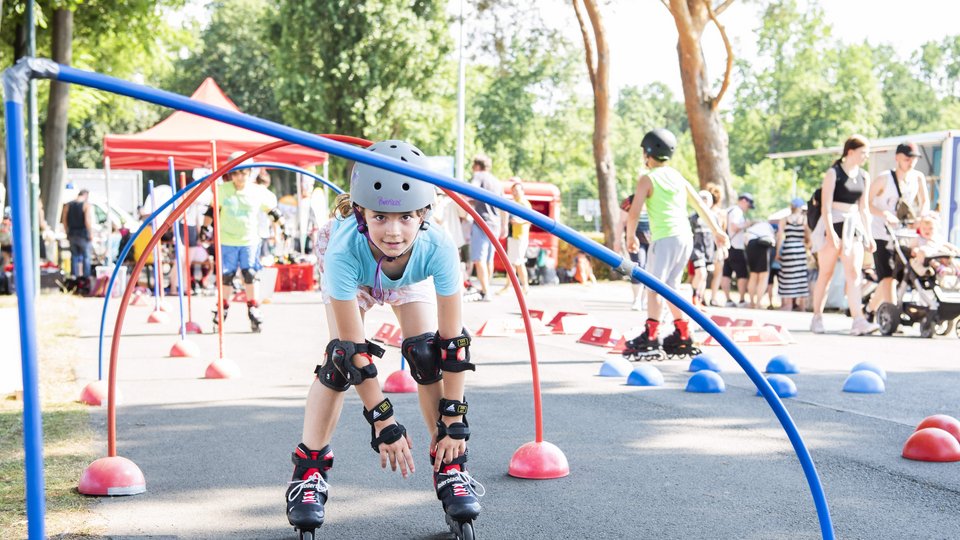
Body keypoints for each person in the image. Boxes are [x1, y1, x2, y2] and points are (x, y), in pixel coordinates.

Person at [285, 140, 483, 536]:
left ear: (425, 213)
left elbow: (453, 347)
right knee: (338, 364)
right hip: (357, 270)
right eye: (380, 217)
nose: (394, 231)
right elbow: (353, 350)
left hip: (410, 275)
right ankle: (308, 471)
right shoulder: (342, 247)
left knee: (428, 353)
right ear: (360, 213)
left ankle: (449, 465)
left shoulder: (438, 246)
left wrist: (453, 419)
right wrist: (383, 420)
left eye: (407, 217)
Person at [623, 128, 729, 360]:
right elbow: (702, 207)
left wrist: (630, 237)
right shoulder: (678, 177)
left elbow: (634, 212)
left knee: (654, 287)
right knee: (671, 286)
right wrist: (718, 231)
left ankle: (651, 337)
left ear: (647, 153)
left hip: (665, 237)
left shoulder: (647, 179)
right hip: (685, 239)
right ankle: (682, 332)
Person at [809, 135, 880, 335]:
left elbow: (864, 208)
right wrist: (831, 233)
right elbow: (826, 206)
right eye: (862, 152)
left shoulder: (864, 176)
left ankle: (858, 319)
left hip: (853, 226)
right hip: (832, 224)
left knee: (854, 273)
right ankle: (817, 316)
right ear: (851, 152)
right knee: (826, 273)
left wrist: (869, 235)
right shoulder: (834, 173)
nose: (865, 156)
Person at [210, 151, 286, 332]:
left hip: (249, 240)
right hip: (227, 239)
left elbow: (273, 212)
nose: (239, 176)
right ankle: (223, 308)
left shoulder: (258, 191)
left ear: (250, 172)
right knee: (226, 276)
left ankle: (253, 308)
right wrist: (205, 228)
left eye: (243, 172)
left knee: (250, 273)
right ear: (230, 174)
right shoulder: (222, 190)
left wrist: (284, 227)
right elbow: (210, 210)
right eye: (235, 172)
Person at [866, 141, 929, 319]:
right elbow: (866, 203)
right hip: (880, 231)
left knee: (897, 276)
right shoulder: (884, 178)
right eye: (907, 158)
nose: (911, 162)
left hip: (902, 234)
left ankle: (870, 310)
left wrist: (921, 218)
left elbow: (924, 201)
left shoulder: (917, 178)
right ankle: (893, 314)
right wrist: (884, 214)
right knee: (887, 276)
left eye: (914, 159)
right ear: (898, 158)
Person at [467, 154, 502, 300]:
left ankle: (486, 291)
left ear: (477, 166)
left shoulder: (479, 176)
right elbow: (503, 205)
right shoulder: (496, 181)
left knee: (478, 259)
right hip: (495, 223)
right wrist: (504, 225)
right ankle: (487, 288)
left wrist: (466, 201)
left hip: (482, 222)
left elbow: (470, 192)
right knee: (489, 259)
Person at [614, 195, 651, 310]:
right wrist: (617, 241)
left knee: (650, 269)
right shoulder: (629, 201)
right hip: (635, 239)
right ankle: (636, 299)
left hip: (653, 239)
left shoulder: (655, 199)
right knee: (638, 265)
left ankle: (644, 300)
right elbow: (622, 222)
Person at [497, 179, 532, 295]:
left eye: (517, 190)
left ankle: (525, 286)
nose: (515, 193)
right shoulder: (514, 203)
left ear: (522, 191)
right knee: (512, 262)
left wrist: (519, 223)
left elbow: (530, 220)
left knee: (518, 262)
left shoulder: (525, 204)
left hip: (520, 236)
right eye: (513, 191)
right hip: (513, 236)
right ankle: (509, 286)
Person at [776, 197, 811, 311]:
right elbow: (808, 236)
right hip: (800, 249)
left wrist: (777, 252)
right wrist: (808, 247)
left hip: (788, 248)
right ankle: (802, 306)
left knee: (787, 276)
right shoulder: (804, 219)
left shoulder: (784, 219)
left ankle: (788, 304)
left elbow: (780, 236)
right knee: (800, 276)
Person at [721, 193, 754, 307]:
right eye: (748, 205)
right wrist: (747, 224)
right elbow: (735, 226)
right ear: (744, 201)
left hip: (727, 245)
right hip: (736, 246)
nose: (747, 209)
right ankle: (741, 300)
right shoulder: (737, 211)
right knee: (742, 274)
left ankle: (728, 299)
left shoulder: (728, 210)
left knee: (726, 273)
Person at [688, 189, 716, 308]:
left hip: (709, 250)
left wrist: (720, 249)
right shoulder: (692, 218)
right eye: (702, 199)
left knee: (705, 276)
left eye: (707, 200)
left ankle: (700, 298)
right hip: (697, 249)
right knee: (700, 273)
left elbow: (717, 234)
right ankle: (693, 296)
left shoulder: (713, 217)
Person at [60, 188, 95, 278]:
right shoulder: (86, 205)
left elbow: (64, 220)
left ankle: (73, 276)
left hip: (72, 234)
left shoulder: (68, 205)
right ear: (86, 195)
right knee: (86, 257)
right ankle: (85, 277)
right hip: (83, 235)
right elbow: (88, 221)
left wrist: (67, 231)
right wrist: (90, 233)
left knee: (74, 256)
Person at [743, 216, 776, 308]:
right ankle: (758, 303)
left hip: (751, 246)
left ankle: (752, 302)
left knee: (753, 275)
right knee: (763, 276)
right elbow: (773, 240)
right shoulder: (767, 225)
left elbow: (745, 242)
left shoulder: (750, 229)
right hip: (763, 245)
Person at [704, 182, 727, 306]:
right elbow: (723, 231)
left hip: (705, 243)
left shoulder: (704, 212)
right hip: (717, 244)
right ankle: (713, 297)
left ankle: (700, 297)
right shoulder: (721, 213)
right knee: (717, 273)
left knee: (702, 272)